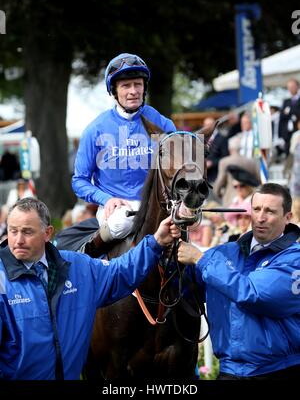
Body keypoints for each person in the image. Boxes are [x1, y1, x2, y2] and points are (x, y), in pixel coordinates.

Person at [0, 197, 180, 380]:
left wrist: (156, 241)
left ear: (47, 233)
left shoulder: (77, 266)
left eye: (27, 232)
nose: (18, 240)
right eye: (13, 231)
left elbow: (120, 272)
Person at [177, 183, 300, 379]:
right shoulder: (225, 252)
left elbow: (253, 294)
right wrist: (170, 238)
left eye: (270, 211)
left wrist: (200, 259)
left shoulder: (295, 259)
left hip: (277, 370)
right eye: (257, 209)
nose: (260, 218)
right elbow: (180, 290)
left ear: (288, 217)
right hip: (229, 371)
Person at [72, 53, 176, 244]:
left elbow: (180, 168)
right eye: (125, 86)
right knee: (122, 223)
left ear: (144, 87)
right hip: (117, 209)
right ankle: (92, 257)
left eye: (138, 84)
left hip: (159, 206)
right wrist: (106, 199)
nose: (133, 91)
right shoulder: (95, 130)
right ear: (114, 91)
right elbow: (79, 181)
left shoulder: (163, 124)